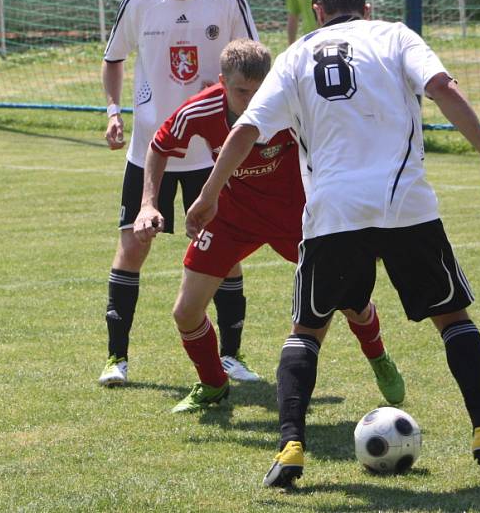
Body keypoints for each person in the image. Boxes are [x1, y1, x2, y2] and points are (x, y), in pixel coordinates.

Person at [186, 0, 480, 487]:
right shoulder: (395, 35)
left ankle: (292, 447)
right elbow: (442, 89)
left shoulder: (296, 56)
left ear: (317, 13)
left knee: (308, 331)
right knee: (453, 317)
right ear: (366, 8)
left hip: (333, 213)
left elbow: (246, 129)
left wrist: (209, 194)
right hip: (405, 207)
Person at [133, 39, 405, 413]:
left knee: (351, 301)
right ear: (222, 82)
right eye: (242, 91)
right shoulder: (201, 109)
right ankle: (213, 385)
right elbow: (160, 145)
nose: (252, 99)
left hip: (295, 217)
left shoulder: (290, 105)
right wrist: (148, 203)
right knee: (185, 311)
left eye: (260, 90)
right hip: (230, 218)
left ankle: (378, 357)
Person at [98, 0, 261, 387]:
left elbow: (253, 59)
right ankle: (116, 359)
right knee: (133, 246)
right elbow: (113, 60)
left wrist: (237, 97)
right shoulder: (140, 2)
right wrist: (113, 111)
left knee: (226, 254)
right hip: (151, 150)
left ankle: (231, 357)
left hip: (213, 155)